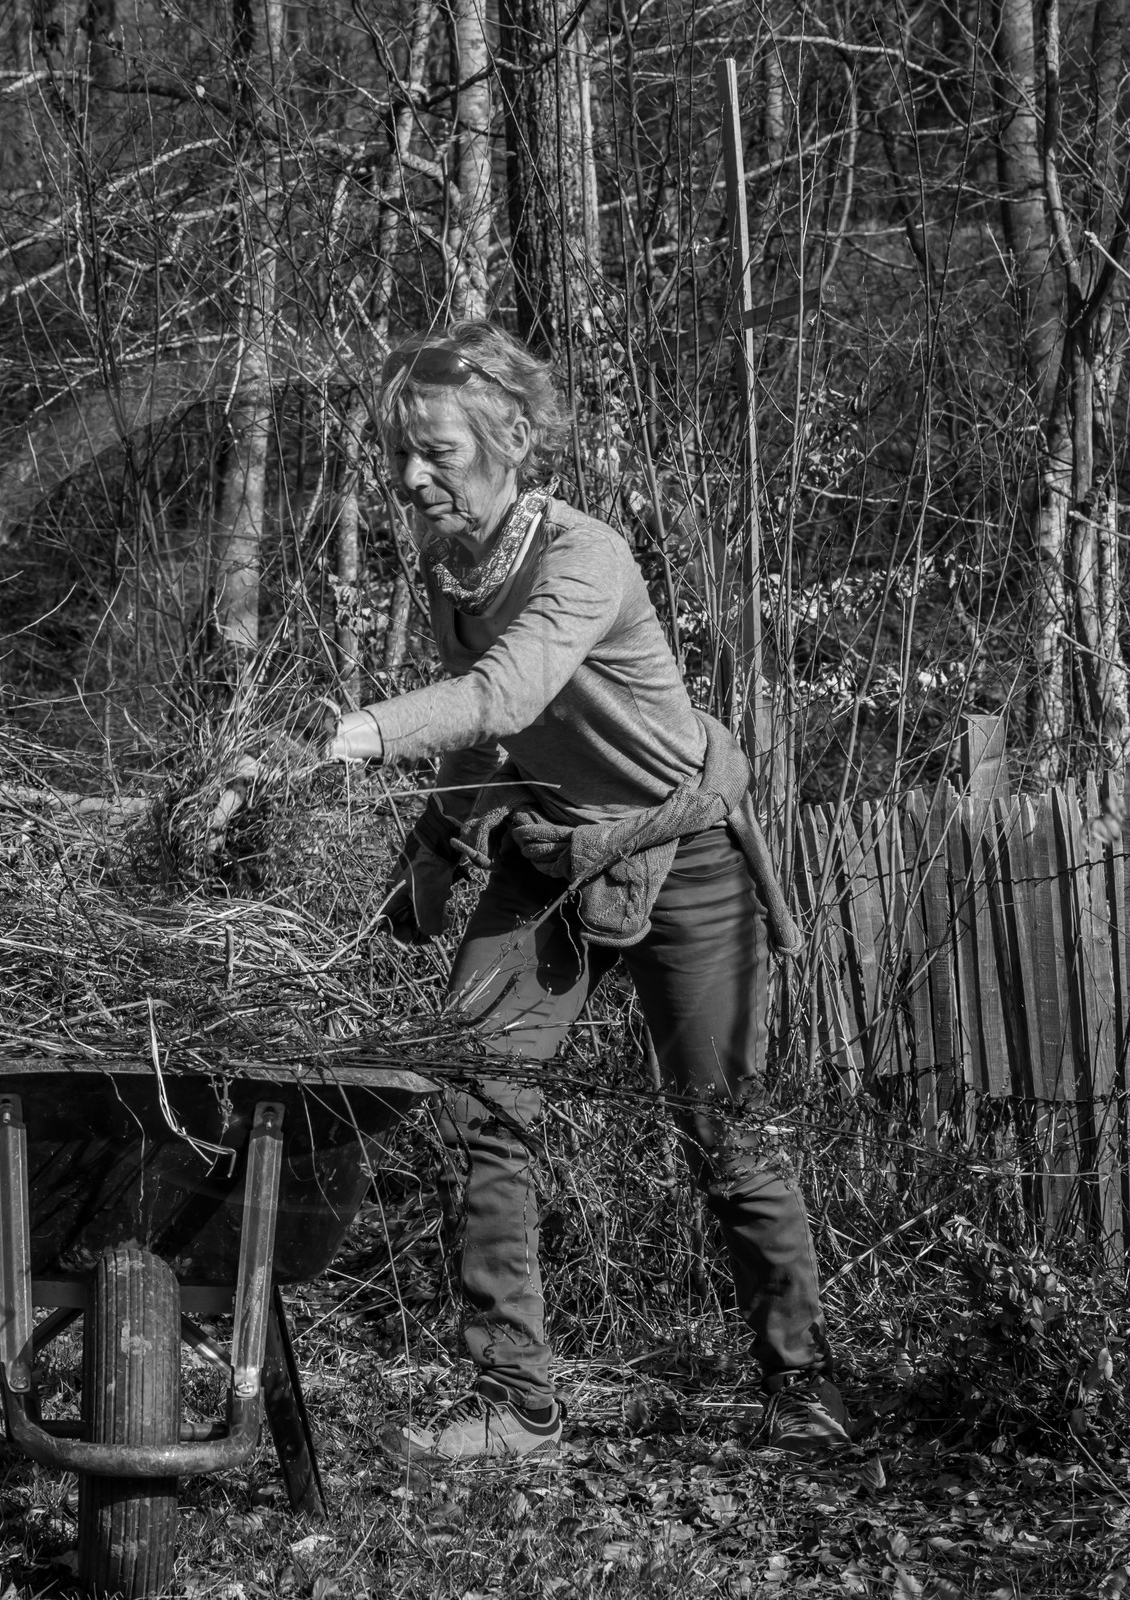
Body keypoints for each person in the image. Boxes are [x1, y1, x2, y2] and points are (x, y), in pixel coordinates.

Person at [325, 321, 849, 1464]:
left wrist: (363, 732)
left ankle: (800, 1376)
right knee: (476, 1092)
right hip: (552, 849)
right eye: (400, 453)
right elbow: (492, 748)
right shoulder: (449, 566)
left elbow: (503, 694)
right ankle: (516, 1401)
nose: (412, 476)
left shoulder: (583, 556)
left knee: (723, 1126)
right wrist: (440, 860)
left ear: (510, 442)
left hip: (685, 852)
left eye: (437, 451)